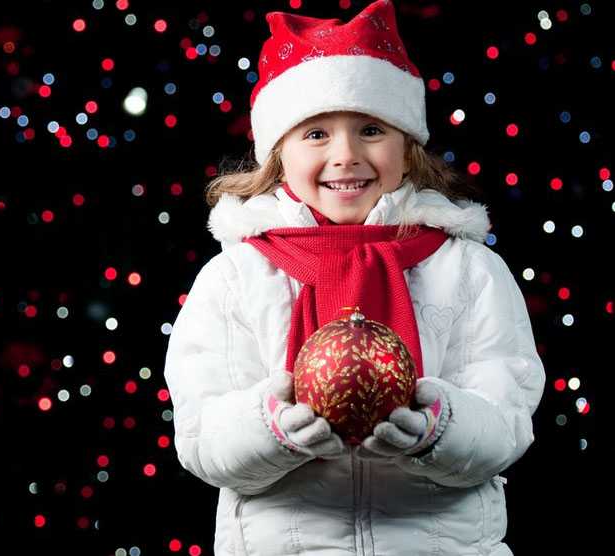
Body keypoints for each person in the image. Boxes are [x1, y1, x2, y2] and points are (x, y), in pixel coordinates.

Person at [162, 1, 545, 555]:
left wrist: (438, 426)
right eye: (315, 134)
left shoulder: (468, 269)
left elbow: (507, 422)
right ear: (278, 155)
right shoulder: (236, 277)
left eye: (370, 129)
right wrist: (276, 426)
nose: (346, 155)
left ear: (408, 149)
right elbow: (203, 441)